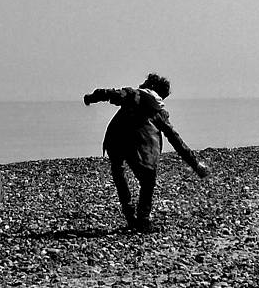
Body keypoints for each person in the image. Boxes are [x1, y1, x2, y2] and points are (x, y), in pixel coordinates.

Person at [83, 73, 209, 232]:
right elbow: (175, 140)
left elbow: (109, 93)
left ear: (147, 85)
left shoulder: (132, 94)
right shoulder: (158, 112)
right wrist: (195, 164)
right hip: (139, 147)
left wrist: (90, 98)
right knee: (148, 180)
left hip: (115, 140)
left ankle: (129, 214)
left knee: (119, 172)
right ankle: (142, 218)